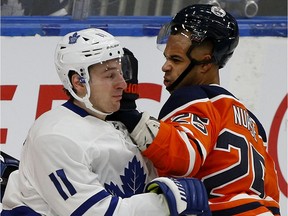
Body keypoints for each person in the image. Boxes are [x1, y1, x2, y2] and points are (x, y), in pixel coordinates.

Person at [1, 28, 211, 216]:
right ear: (78, 82)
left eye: (121, 73)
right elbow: (95, 212)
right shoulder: (55, 136)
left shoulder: (124, 129)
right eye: (110, 75)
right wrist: (165, 204)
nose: (122, 84)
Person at [108, 4, 281, 216]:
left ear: (205, 64)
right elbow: (271, 193)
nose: (165, 66)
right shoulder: (251, 121)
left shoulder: (194, 98)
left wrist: (130, 116)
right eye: (167, 57)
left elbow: (183, 158)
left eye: (176, 59)